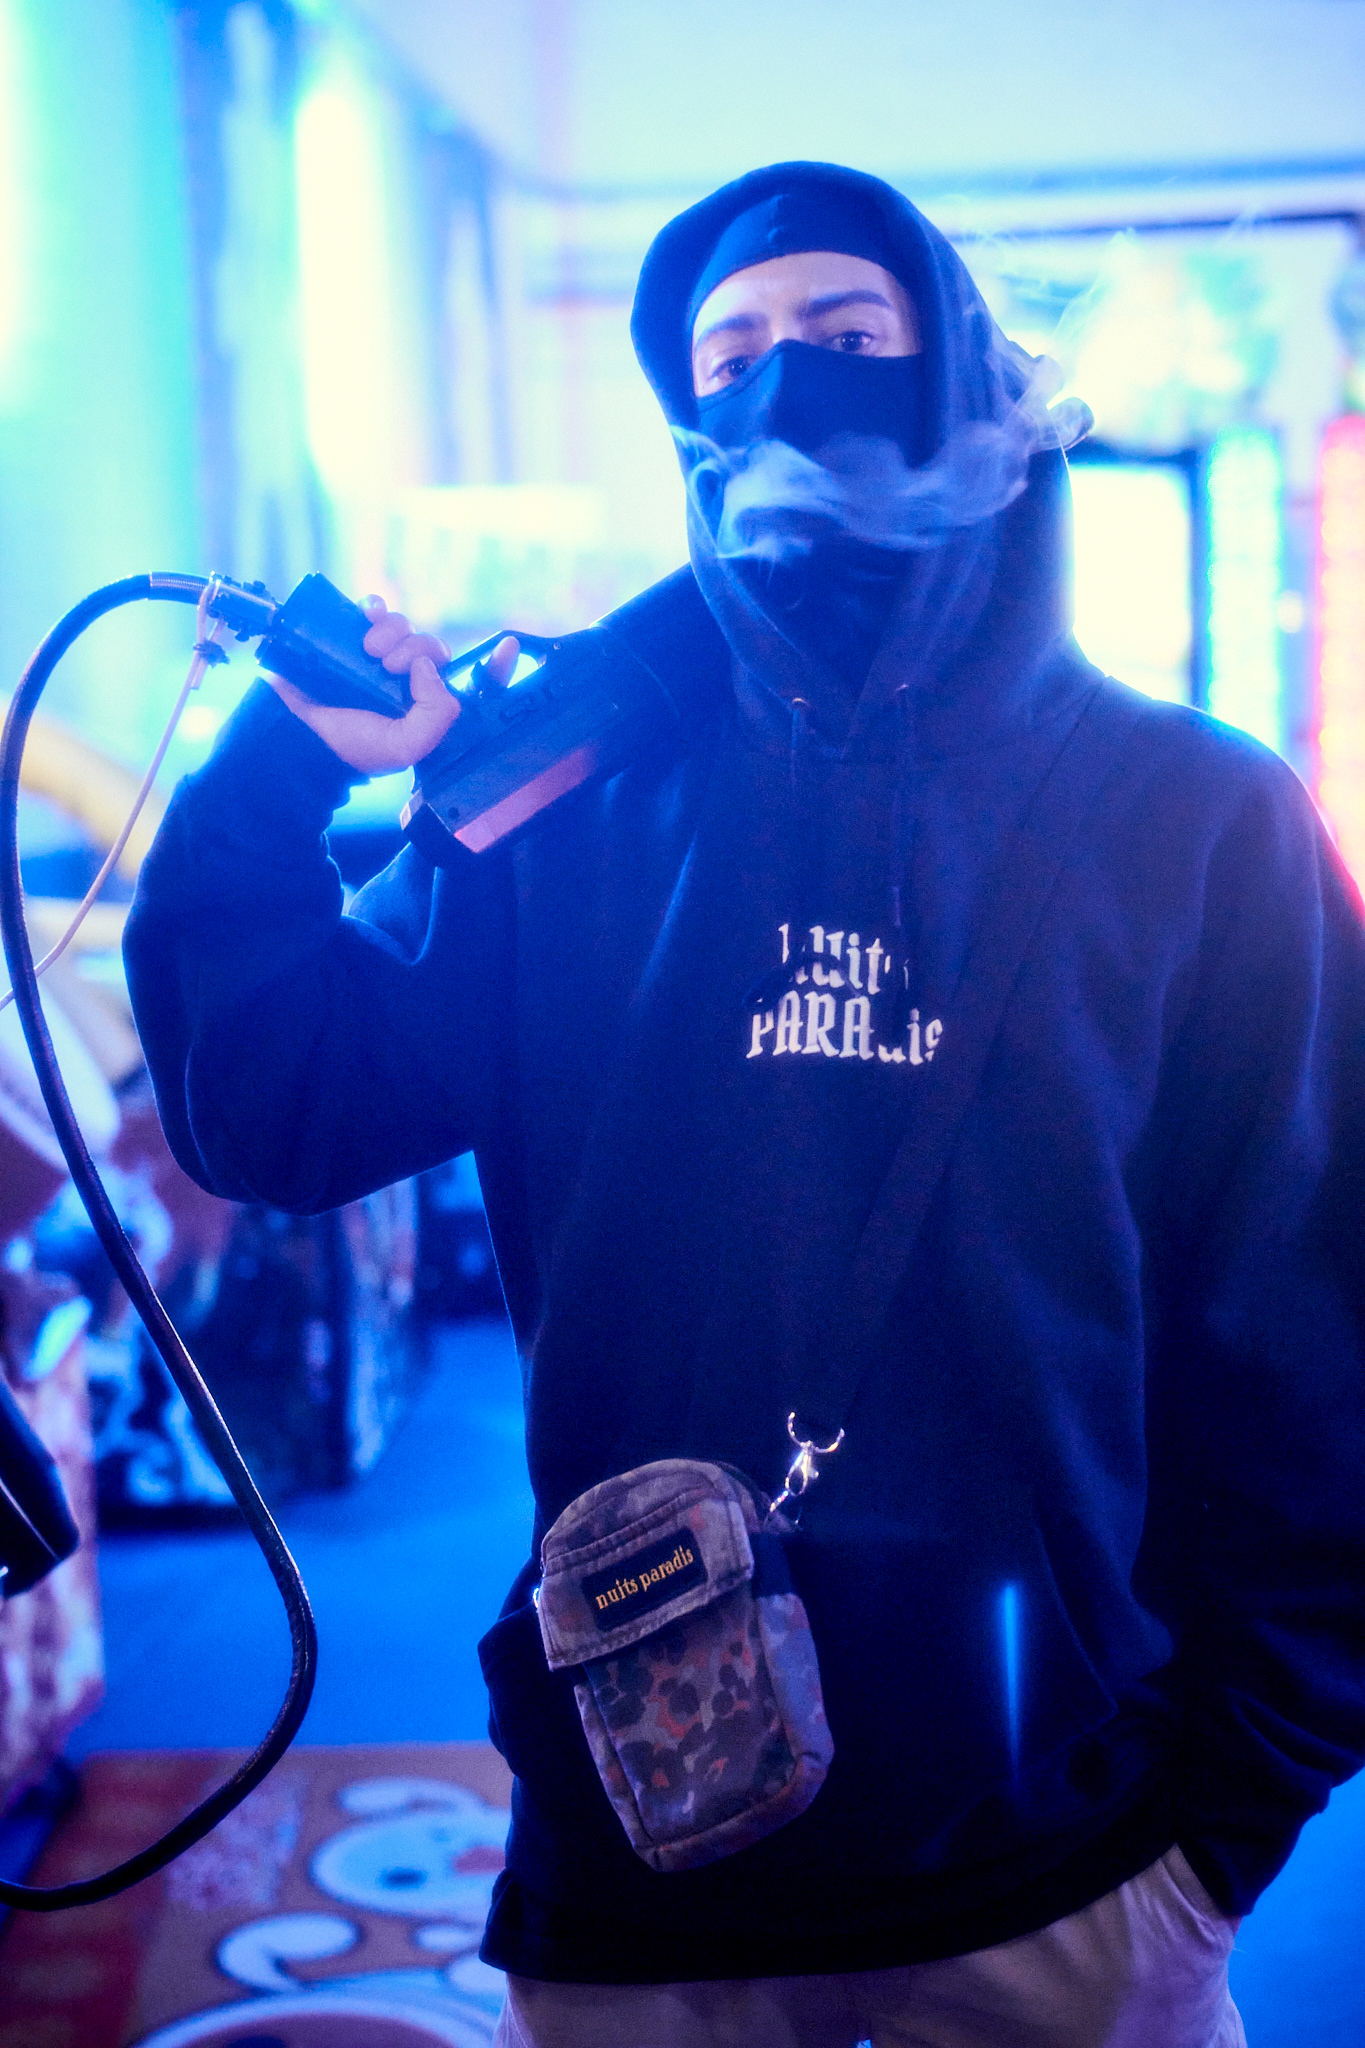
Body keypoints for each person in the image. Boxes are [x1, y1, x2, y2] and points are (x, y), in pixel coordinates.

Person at [125, 162, 1365, 2048]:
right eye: (728, 354)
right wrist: (275, 770)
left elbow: (1318, 1339)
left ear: (961, 381)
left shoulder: (1199, 818)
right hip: (642, 1833)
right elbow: (271, 1106)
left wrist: (1224, 1826)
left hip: (1075, 1852)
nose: (784, 379)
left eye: (847, 332)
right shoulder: (566, 798)